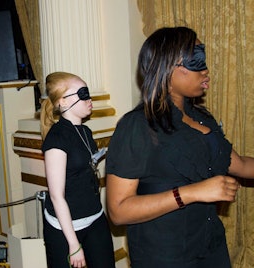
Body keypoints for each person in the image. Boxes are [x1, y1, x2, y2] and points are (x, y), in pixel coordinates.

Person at [105, 26, 254, 268]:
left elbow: (242, 165)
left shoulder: (202, 118)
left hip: (210, 246)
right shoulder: (138, 126)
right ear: (167, 67)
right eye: (196, 60)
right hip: (166, 255)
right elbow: (119, 211)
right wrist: (193, 192)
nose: (206, 70)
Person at [40, 72, 115, 268]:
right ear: (63, 103)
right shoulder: (56, 139)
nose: (89, 99)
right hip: (65, 226)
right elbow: (57, 196)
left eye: (88, 93)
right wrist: (74, 245)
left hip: (94, 215)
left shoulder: (85, 131)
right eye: (82, 94)